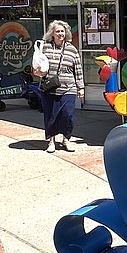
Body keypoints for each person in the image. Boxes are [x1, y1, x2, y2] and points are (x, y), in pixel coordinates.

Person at [33, 20, 84, 153]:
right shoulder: (45, 48)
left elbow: (78, 69)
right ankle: (51, 141)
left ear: (66, 33)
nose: (60, 34)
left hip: (69, 88)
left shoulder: (72, 49)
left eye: (62, 31)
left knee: (68, 115)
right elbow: (37, 65)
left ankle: (66, 139)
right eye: (57, 31)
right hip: (49, 88)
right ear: (52, 33)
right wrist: (38, 72)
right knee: (51, 116)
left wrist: (81, 87)